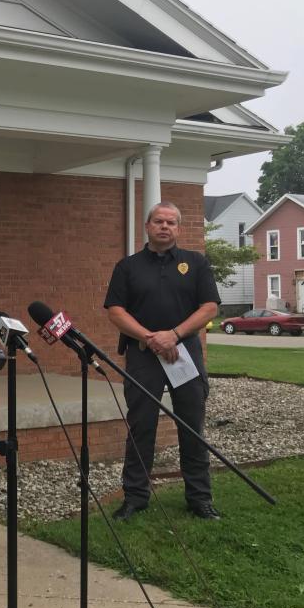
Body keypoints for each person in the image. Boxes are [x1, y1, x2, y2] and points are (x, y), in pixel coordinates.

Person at [103, 202, 221, 521]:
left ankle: (200, 498)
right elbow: (115, 311)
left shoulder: (195, 263)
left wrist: (174, 335)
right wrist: (152, 338)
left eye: (171, 222)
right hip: (143, 356)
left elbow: (210, 307)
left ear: (179, 228)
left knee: (191, 426)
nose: (164, 226)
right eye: (158, 221)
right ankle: (135, 497)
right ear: (147, 226)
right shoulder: (127, 267)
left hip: (184, 354)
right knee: (142, 426)